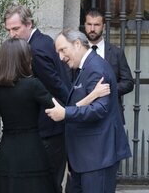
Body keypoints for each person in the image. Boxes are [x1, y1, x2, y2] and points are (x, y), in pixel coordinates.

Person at [45, 28, 132, 193]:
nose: (61, 57)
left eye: (63, 50)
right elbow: (84, 103)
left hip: (97, 157)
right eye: (58, 52)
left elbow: (100, 109)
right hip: (85, 158)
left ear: (77, 44)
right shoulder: (86, 67)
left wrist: (65, 113)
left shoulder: (96, 68)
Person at [3, 5, 72, 193]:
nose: (12, 34)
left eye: (16, 29)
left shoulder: (35, 50)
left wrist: (71, 112)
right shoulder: (44, 40)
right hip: (53, 128)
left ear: (29, 24)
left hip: (49, 129)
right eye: (8, 30)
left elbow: (57, 86)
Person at [0, 38, 58, 193]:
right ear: (24, 58)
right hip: (33, 154)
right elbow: (59, 110)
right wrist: (90, 98)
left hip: (7, 156)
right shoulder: (33, 85)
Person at [84, 8, 134, 125]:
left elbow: (128, 83)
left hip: (112, 114)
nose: (92, 29)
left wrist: (106, 91)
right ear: (85, 25)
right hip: (85, 112)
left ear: (103, 27)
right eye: (89, 24)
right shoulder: (78, 51)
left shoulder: (116, 53)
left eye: (96, 25)